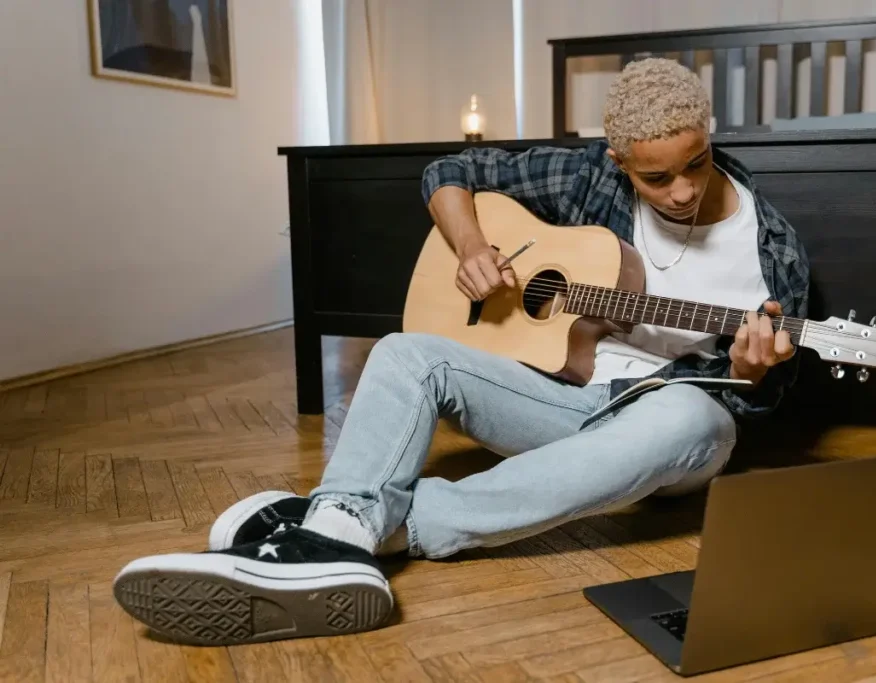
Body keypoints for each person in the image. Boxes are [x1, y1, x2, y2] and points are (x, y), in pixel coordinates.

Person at [112, 58, 809, 647]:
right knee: (407, 351)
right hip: (564, 396)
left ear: (709, 138)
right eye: (657, 179)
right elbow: (448, 169)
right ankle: (344, 528)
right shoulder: (585, 178)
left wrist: (748, 373)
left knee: (689, 417)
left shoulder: (769, 246)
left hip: (667, 427)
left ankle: (342, 525)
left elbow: (768, 398)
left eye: (697, 164)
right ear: (618, 161)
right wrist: (474, 247)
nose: (683, 191)